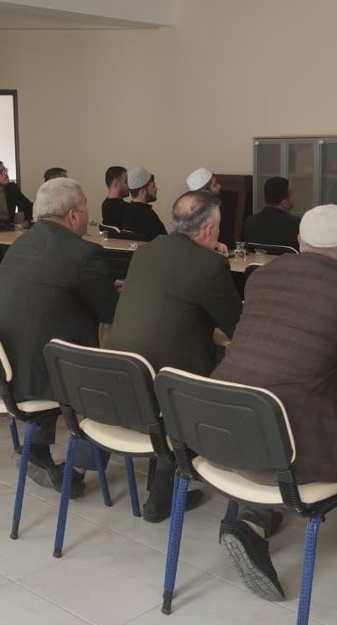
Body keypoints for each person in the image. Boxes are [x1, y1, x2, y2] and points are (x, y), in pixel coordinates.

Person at [211, 204, 337, 602]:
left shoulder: (261, 276)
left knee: (276, 413)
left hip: (224, 430)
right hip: (290, 449)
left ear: (299, 241)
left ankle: (251, 523)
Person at [0, 178, 119, 497]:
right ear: (73, 215)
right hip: (32, 379)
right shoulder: (84, 253)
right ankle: (75, 473)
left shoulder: (20, 244)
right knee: (110, 386)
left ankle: (36, 450)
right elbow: (111, 312)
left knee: (43, 347)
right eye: (86, 208)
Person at [107, 190, 242, 520]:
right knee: (219, 367)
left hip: (118, 377)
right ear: (209, 230)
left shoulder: (146, 251)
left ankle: (165, 481)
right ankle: (171, 483)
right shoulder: (210, 266)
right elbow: (237, 326)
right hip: (164, 388)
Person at [243, 177, 299, 249]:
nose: (295, 197)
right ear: (284, 203)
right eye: (292, 194)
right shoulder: (296, 225)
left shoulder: (250, 223)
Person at [121, 167, 166, 239]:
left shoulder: (127, 212)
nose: (156, 189)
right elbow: (165, 241)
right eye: (153, 186)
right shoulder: (148, 216)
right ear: (142, 191)